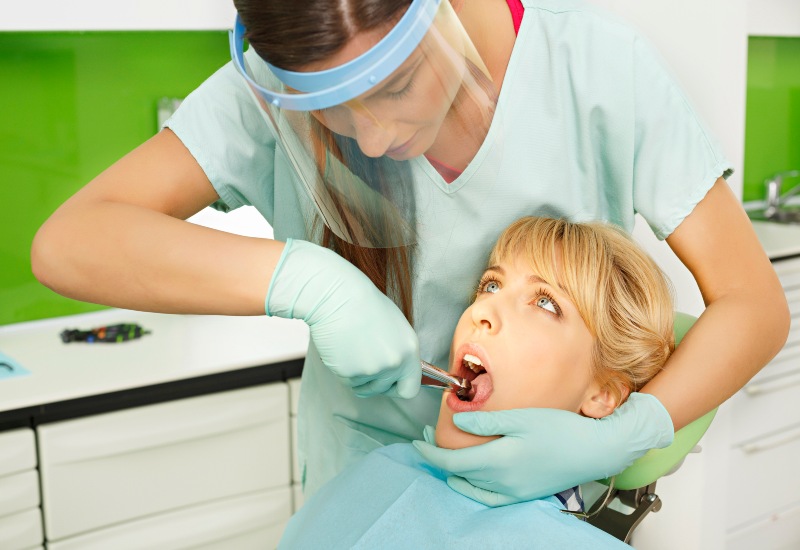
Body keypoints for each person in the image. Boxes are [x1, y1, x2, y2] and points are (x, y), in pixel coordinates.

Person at [31, 0, 789, 505]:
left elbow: (752, 306)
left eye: (394, 86)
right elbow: (70, 241)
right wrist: (304, 280)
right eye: (328, 110)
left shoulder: (595, 71)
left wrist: (628, 435)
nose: (371, 138)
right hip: (359, 499)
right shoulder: (269, 86)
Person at [278, 216, 674, 549]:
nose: (483, 310)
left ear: (602, 394)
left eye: (545, 302)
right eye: (491, 285)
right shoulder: (376, 473)